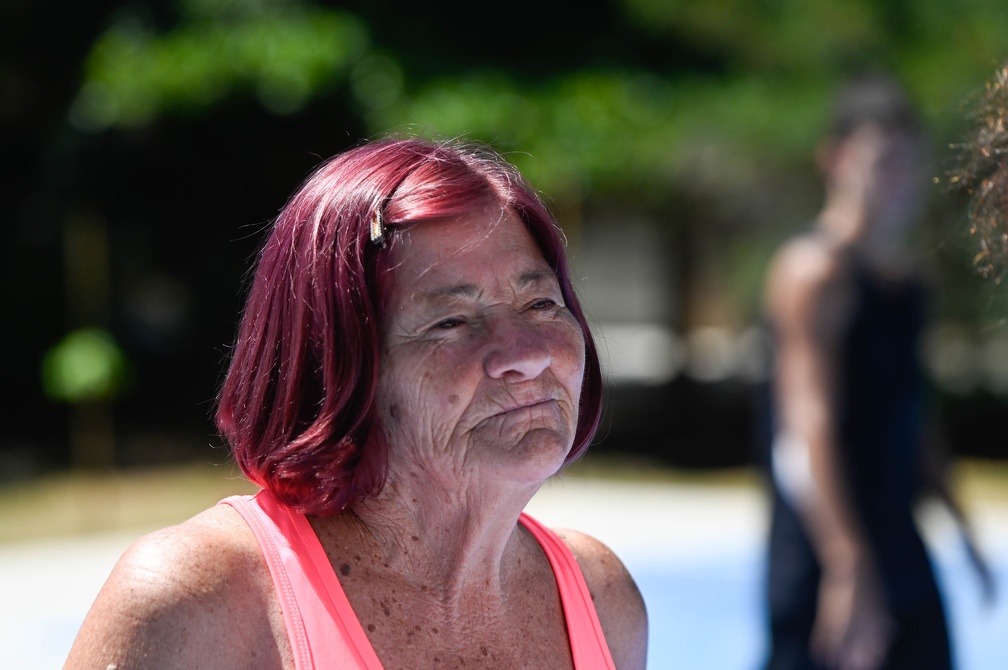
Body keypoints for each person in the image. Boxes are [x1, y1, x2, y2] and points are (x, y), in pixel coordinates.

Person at [64, 137, 648, 669]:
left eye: (541, 303)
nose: (525, 354)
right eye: (450, 321)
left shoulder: (601, 597)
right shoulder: (203, 602)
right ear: (336, 368)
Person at [760, 74, 954, 670]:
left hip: (900, 543)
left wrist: (961, 520)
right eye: (883, 160)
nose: (899, 180)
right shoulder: (812, 273)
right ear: (835, 159)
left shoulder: (905, 283)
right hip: (829, 552)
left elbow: (909, 414)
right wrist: (847, 566)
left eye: (909, 162)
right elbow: (803, 429)